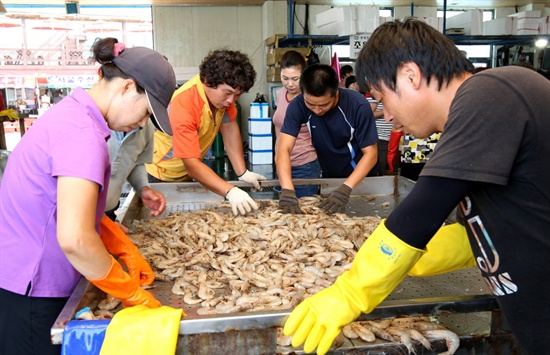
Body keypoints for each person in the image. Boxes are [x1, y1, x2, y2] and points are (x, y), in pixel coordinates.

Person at [283, 18, 550, 355]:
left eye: (382, 97)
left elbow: (421, 212)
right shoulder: (485, 107)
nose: (389, 116)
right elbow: (508, 218)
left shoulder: (492, 93)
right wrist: (420, 256)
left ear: (410, 75)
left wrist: (350, 291)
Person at [0, 38, 176, 354]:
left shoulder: (72, 116)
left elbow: (56, 204)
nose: (142, 123)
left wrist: (118, 244)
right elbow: (74, 239)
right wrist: (130, 293)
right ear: (126, 88)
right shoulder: (83, 136)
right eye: (146, 112)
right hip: (33, 290)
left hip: (26, 281)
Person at [145, 49, 266, 216]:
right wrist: (230, 191)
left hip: (188, 169)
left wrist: (242, 172)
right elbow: (192, 165)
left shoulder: (222, 97)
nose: (231, 101)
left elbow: (229, 127)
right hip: (163, 172)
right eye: (228, 93)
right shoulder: (184, 104)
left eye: (237, 95)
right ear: (208, 81)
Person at [276, 64, 380, 215]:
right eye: (310, 104)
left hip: (361, 179)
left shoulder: (357, 105)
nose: (317, 110)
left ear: (335, 92)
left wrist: (345, 189)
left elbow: (371, 154)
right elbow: (284, 149)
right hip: (330, 177)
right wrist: (287, 189)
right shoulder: (298, 105)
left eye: (324, 105)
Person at [273, 50, 320, 198]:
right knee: (284, 210)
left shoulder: (310, 99)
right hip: (281, 164)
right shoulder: (281, 93)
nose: (290, 84)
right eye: (285, 78)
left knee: (306, 213)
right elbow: (278, 126)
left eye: (295, 78)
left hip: (304, 165)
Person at [106, 118, 167, 225]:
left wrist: (143, 187)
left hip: (108, 213)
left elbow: (136, 162)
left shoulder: (145, 125)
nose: (143, 122)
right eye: (144, 110)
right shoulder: (87, 123)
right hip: (80, 216)